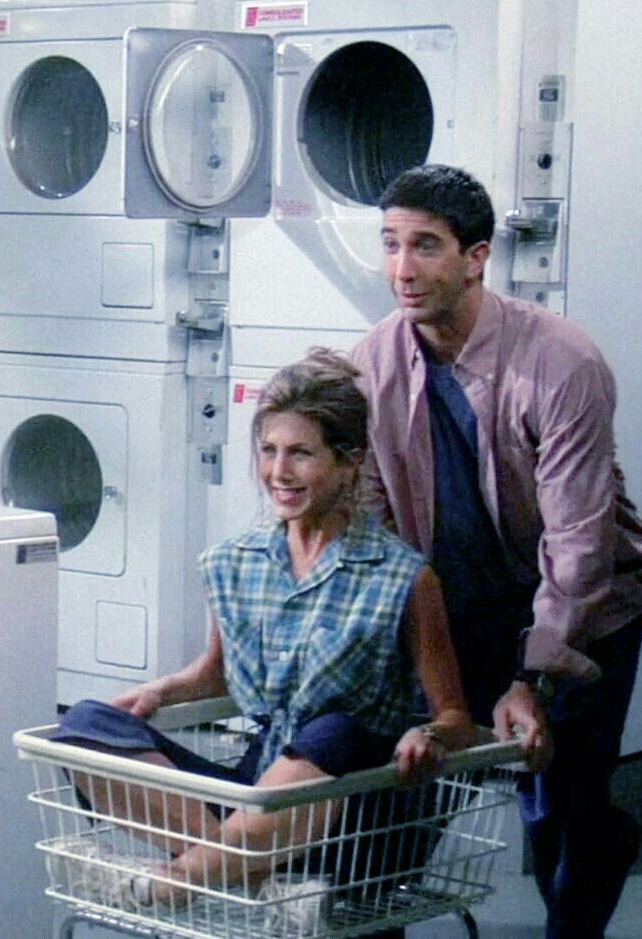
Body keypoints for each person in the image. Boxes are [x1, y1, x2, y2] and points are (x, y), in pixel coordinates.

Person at [349, 164, 642, 939]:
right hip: (457, 601)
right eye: (390, 244)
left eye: (424, 246)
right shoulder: (371, 364)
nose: (401, 268)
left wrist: (533, 678)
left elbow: (581, 543)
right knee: (398, 793)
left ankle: (590, 870)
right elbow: (375, 531)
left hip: (585, 604)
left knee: (561, 803)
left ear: (476, 255)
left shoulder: (561, 362)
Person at [54, 347, 475, 910]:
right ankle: (250, 876)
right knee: (82, 727)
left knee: (335, 729)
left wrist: (429, 736)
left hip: (357, 820)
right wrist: (162, 691)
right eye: (269, 451)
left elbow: (455, 716)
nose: (279, 472)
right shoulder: (237, 563)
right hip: (260, 803)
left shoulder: (405, 578)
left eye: (301, 453)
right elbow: (218, 674)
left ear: (349, 461)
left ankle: (168, 882)